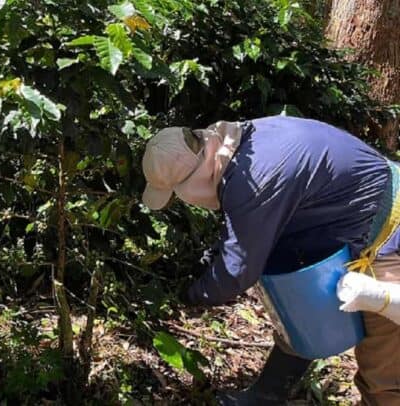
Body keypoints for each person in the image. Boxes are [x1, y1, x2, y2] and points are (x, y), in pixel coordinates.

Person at [141, 116, 400, 405]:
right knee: (297, 302)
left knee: (382, 375)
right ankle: (267, 395)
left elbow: (237, 272)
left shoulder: (251, 182)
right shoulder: (241, 144)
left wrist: (190, 294)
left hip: (389, 236)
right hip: (360, 220)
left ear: (192, 182)